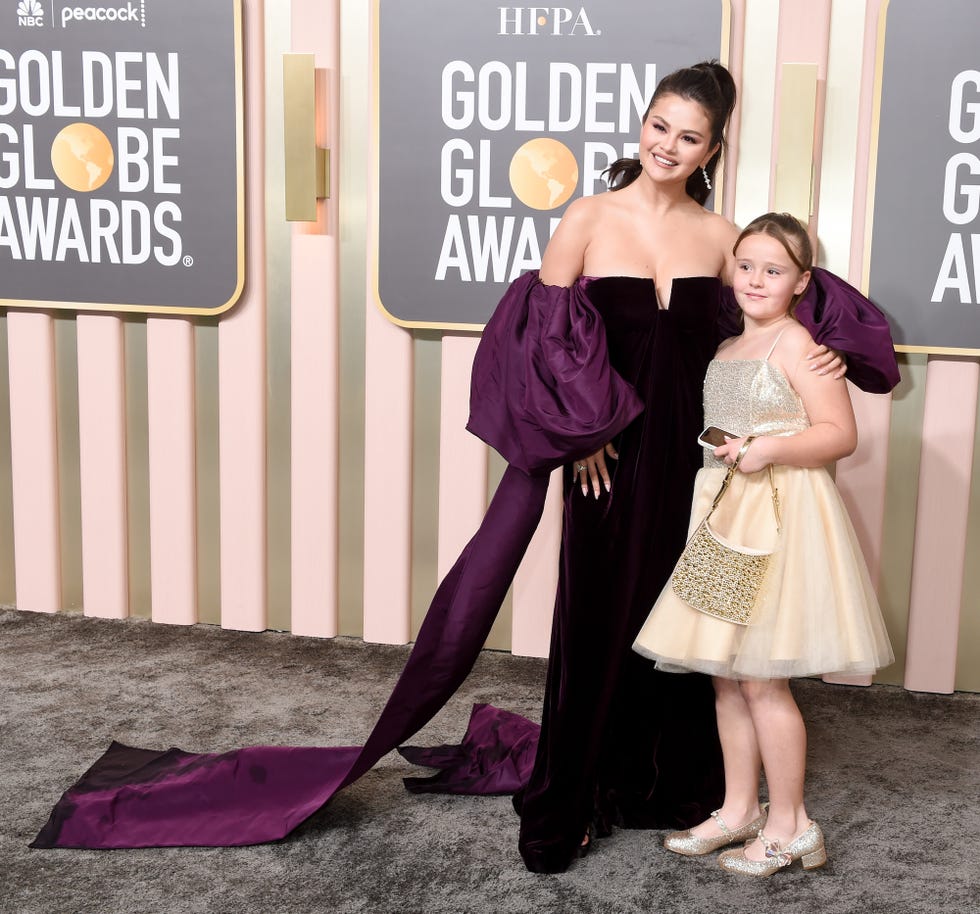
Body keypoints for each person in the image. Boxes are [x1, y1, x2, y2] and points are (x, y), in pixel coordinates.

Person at [500, 61, 896, 874]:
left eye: (689, 137)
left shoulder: (723, 239)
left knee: (689, 629)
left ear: (712, 149)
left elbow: (778, 304)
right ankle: (575, 794)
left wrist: (829, 364)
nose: (667, 146)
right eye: (659, 127)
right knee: (598, 617)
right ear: (640, 124)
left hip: (701, 461)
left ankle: (682, 788)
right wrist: (582, 432)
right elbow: (542, 341)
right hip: (608, 456)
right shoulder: (585, 218)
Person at [632, 212, 894, 876]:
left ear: (801, 282)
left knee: (762, 679)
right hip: (724, 518)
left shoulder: (801, 346)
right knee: (725, 676)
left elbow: (840, 433)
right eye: (745, 265)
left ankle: (792, 824)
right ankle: (739, 807)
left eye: (773, 270)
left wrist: (769, 447)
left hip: (778, 520)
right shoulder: (726, 350)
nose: (755, 279)